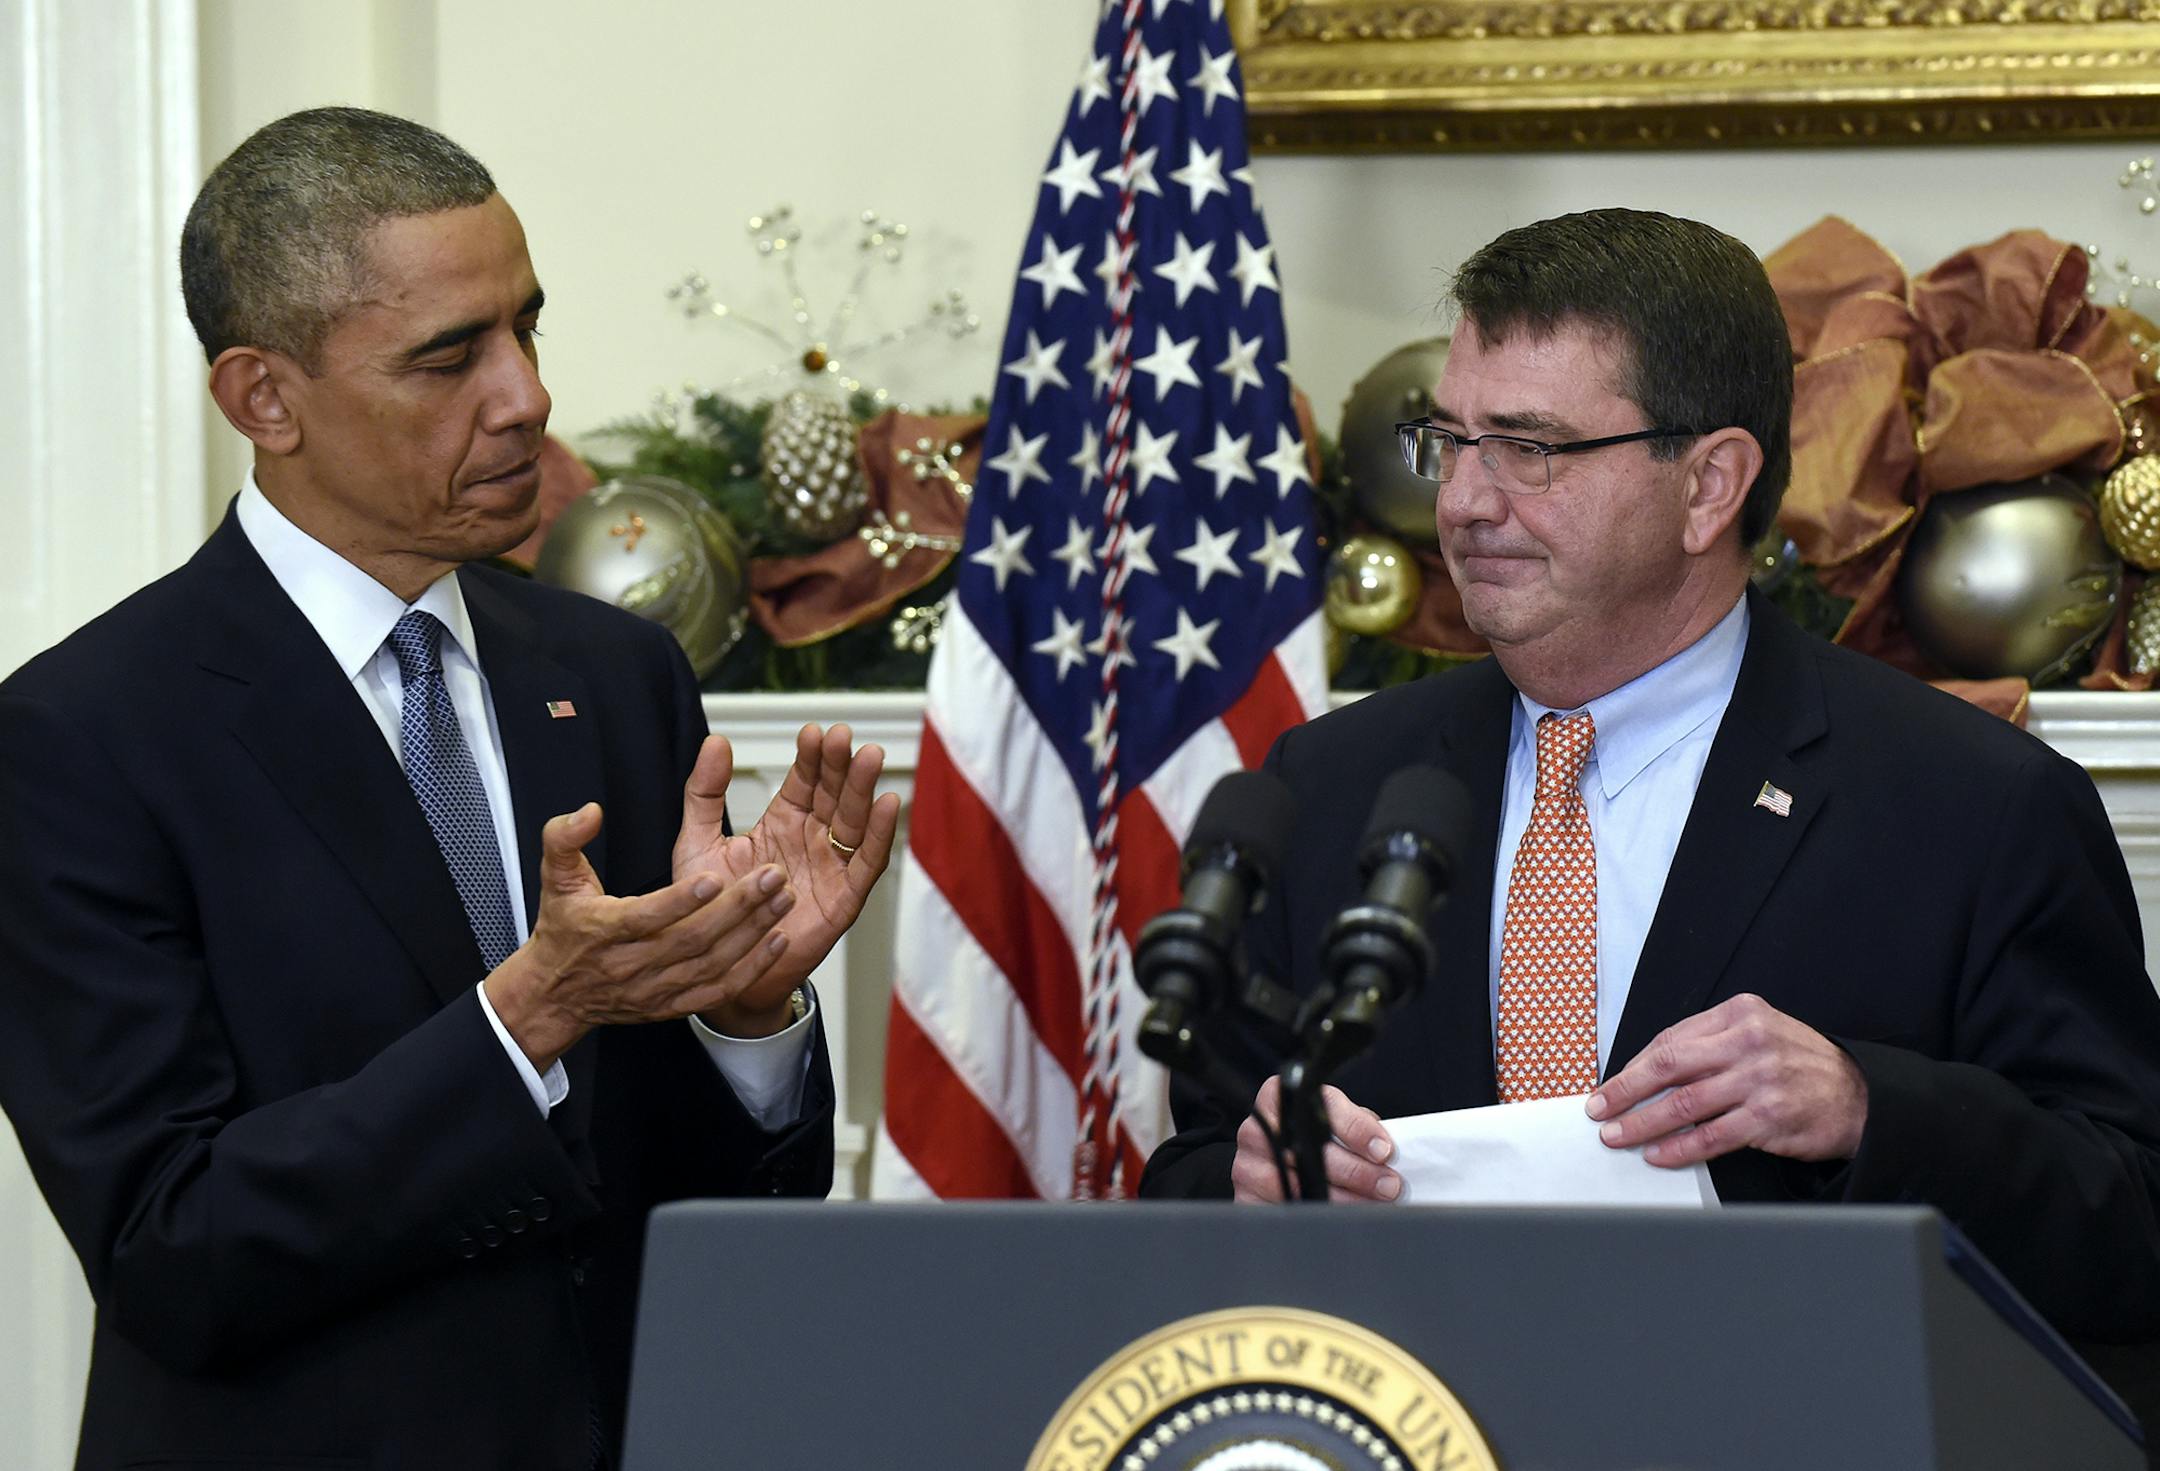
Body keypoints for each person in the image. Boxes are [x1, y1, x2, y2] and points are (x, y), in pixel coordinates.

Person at [1141, 209, 2160, 1424]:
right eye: (1448, 440)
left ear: (1710, 483)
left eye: (1528, 449)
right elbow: (1196, 1168)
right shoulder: (1328, 785)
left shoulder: (1970, 804)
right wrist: (1252, 1178)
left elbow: (2132, 1218)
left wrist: (1868, 1111)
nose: (1462, 501)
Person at [0, 107, 901, 1470]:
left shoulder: (617, 671)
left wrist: (747, 1007)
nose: (526, 394)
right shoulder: (86, 733)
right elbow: (168, 1249)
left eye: (526, 326)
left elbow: (702, 1202)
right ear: (264, 398)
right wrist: (525, 1016)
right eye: (450, 355)